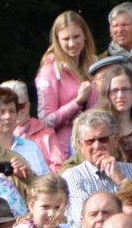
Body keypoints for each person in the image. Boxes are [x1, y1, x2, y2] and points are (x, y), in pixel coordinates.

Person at [36, 10, 99, 156]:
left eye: (76, 37)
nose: (72, 44)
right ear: (57, 40)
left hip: (96, 145)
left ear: (85, 35)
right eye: (66, 39)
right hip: (65, 151)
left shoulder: (95, 65)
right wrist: (77, 102)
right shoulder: (49, 71)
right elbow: (45, 121)